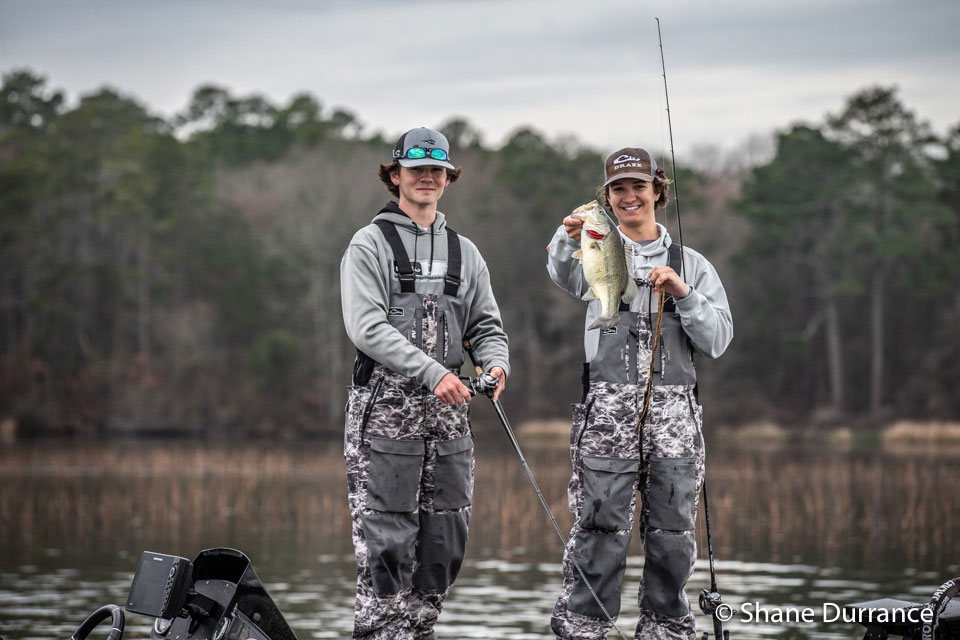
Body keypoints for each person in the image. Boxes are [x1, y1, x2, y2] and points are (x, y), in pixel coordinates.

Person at [545, 147, 732, 640]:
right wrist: (567, 240)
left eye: (638, 187)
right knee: (599, 529)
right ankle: (585, 628)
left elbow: (716, 341)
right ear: (607, 198)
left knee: (672, 533)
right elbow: (564, 275)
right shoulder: (594, 247)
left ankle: (666, 629)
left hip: (676, 417)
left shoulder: (692, 263)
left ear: (658, 191)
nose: (629, 196)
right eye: (618, 189)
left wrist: (684, 294)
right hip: (605, 412)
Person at [340, 127, 510, 640]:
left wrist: (496, 365)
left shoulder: (466, 252)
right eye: (416, 171)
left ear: (447, 178)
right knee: (387, 545)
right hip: (385, 416)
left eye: (437, 171)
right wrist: (434, 372)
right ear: (395, 177)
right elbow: (367, 327)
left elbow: (486, 328)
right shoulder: (369, 244)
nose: (427, 179)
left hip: (450, 421)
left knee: (444, 543)